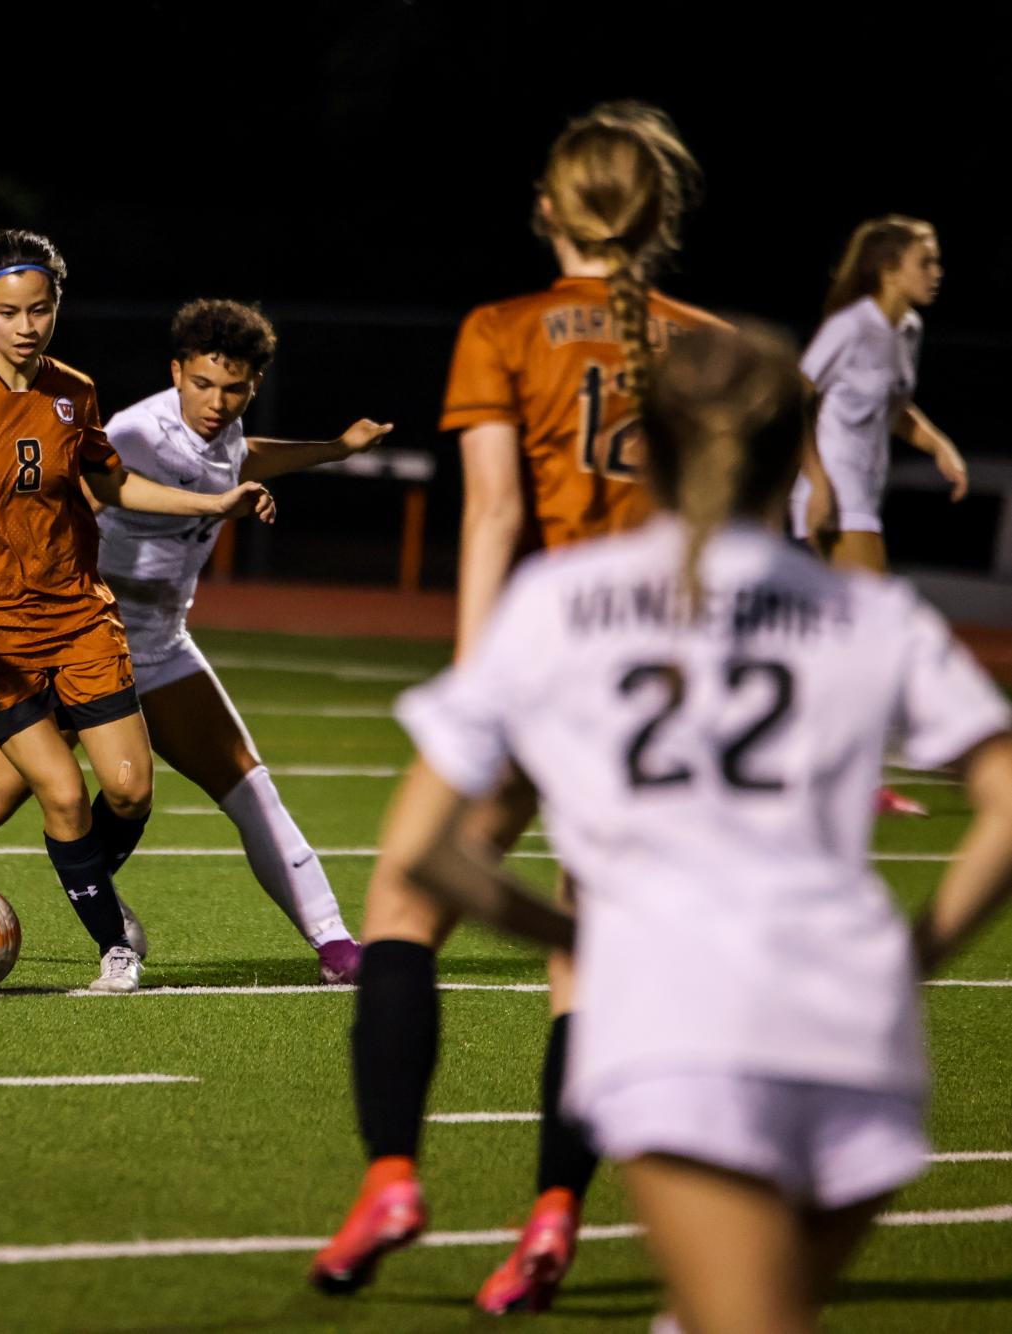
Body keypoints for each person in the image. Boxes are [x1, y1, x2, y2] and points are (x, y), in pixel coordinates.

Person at [361, 322, 1012, 1334]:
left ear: (642, 449)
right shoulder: (871, 612)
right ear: (794, 453)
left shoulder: (558, 600)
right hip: (856, 1020)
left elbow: (422, 850)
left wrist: (578, 937)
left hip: (678, 1018)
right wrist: (916, 950)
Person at [312, 101, 740, 1313]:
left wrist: (473, 685)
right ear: (660, 217)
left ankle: (394, 1173)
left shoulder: (501, 328)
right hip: (657, 686)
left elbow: (496, 515)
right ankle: (553, 1209)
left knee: (403, 893)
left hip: (544, 662)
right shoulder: (706, 344)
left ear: (548, 209)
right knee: (587, 954)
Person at [0, 299, 391, 984]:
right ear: (175, 373)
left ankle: (334, 945)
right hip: (74, 639)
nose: (216, 402)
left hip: (158, 646)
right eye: (201, 385)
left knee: (239, 786)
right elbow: (86, 486)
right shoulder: (133, 431)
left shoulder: (222, 427)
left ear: (252, 387)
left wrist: (334, 450)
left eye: (233, 388)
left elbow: (231, 458)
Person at [787, 215, 969, 820]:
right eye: (927, 263)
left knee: (837, 639)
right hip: (835, 499)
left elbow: (893, 407)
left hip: (862, 498)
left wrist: (938, 444)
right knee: (872, 634)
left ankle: (810, 767)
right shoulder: (850, 326)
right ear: (889, 269)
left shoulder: (908, 328)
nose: (937, 274)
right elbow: (795, 400)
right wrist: (815, 486)